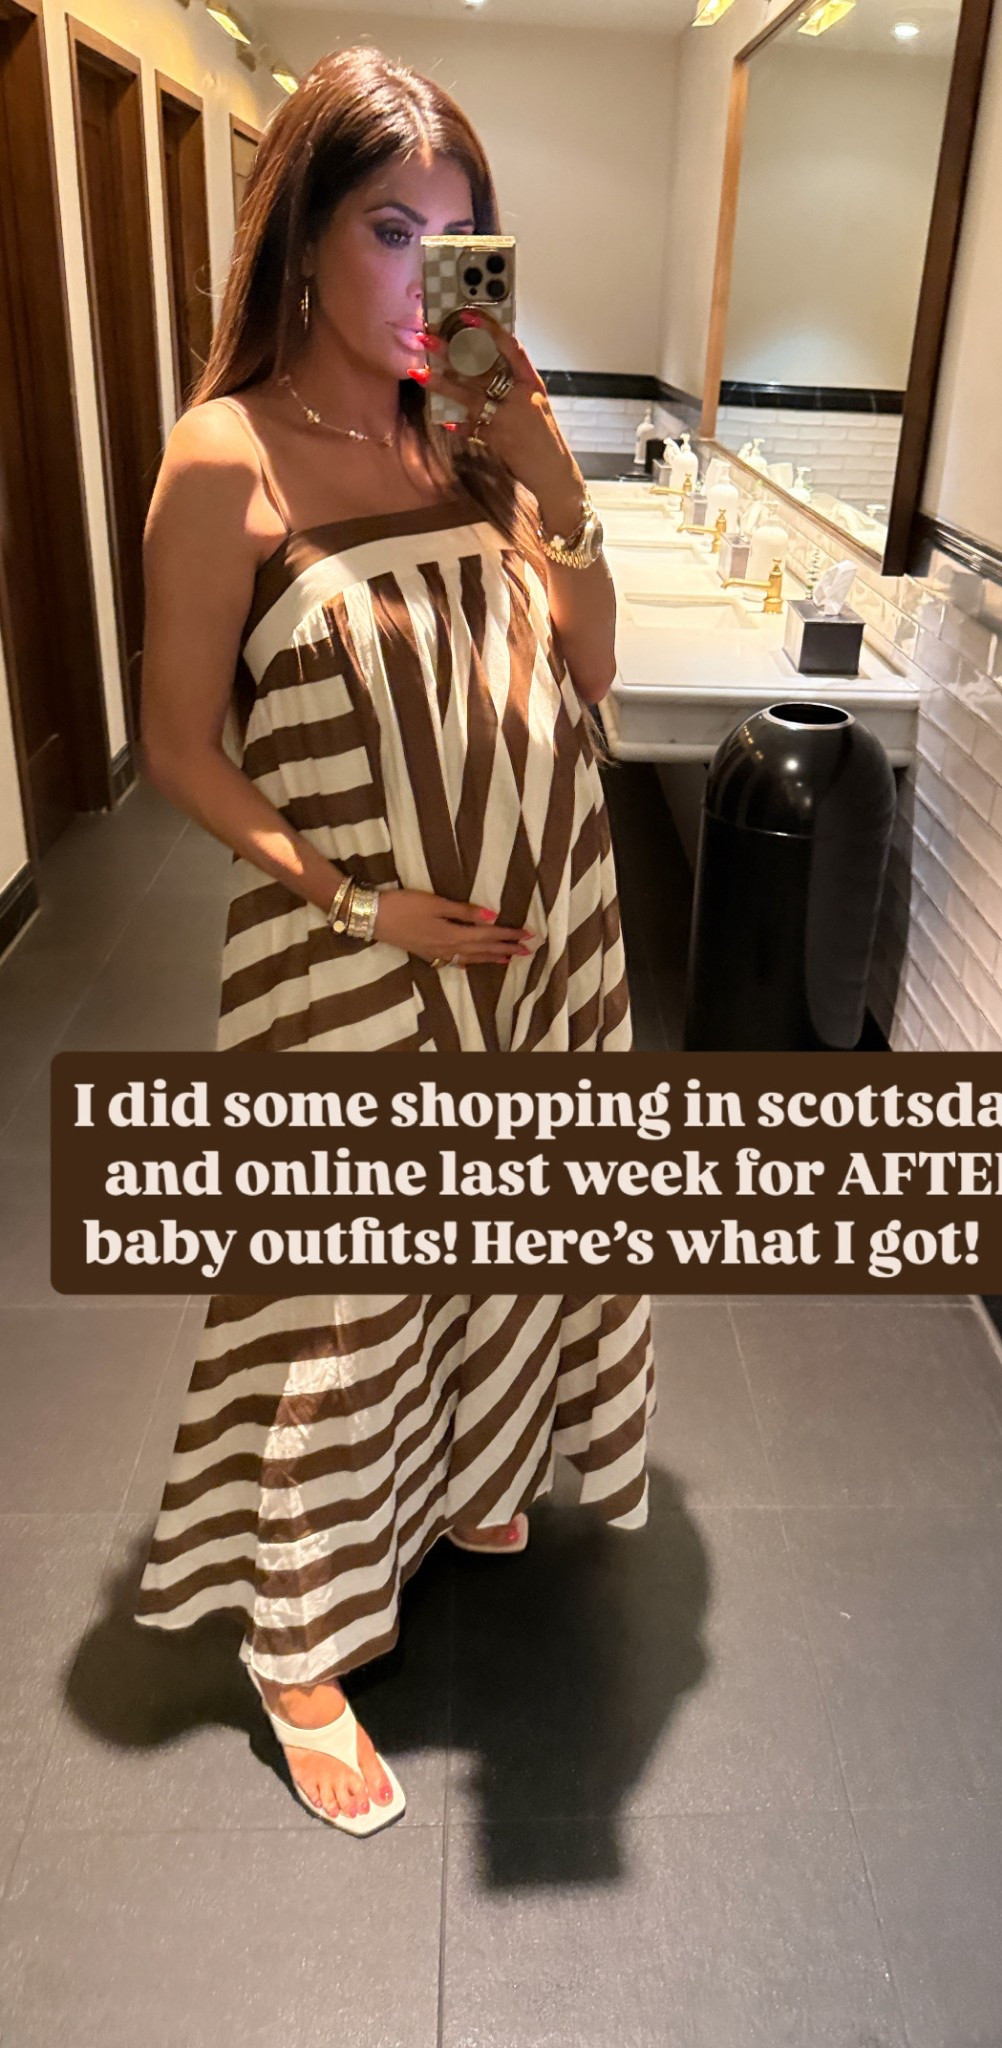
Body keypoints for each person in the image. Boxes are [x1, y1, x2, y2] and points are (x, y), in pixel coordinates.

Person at [133, 45, 656, 1839]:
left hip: (544, 939)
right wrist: (356, 899)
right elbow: (176, 748)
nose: (427, 274)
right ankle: (292, 1645)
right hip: (350, 960)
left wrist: (554, 478)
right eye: (387, 229)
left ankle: (459, 1478)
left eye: (459, 237)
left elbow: (592, 667)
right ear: (300, 237)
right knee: (342, 1296)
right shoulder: (226, 456)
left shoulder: (467, 430)